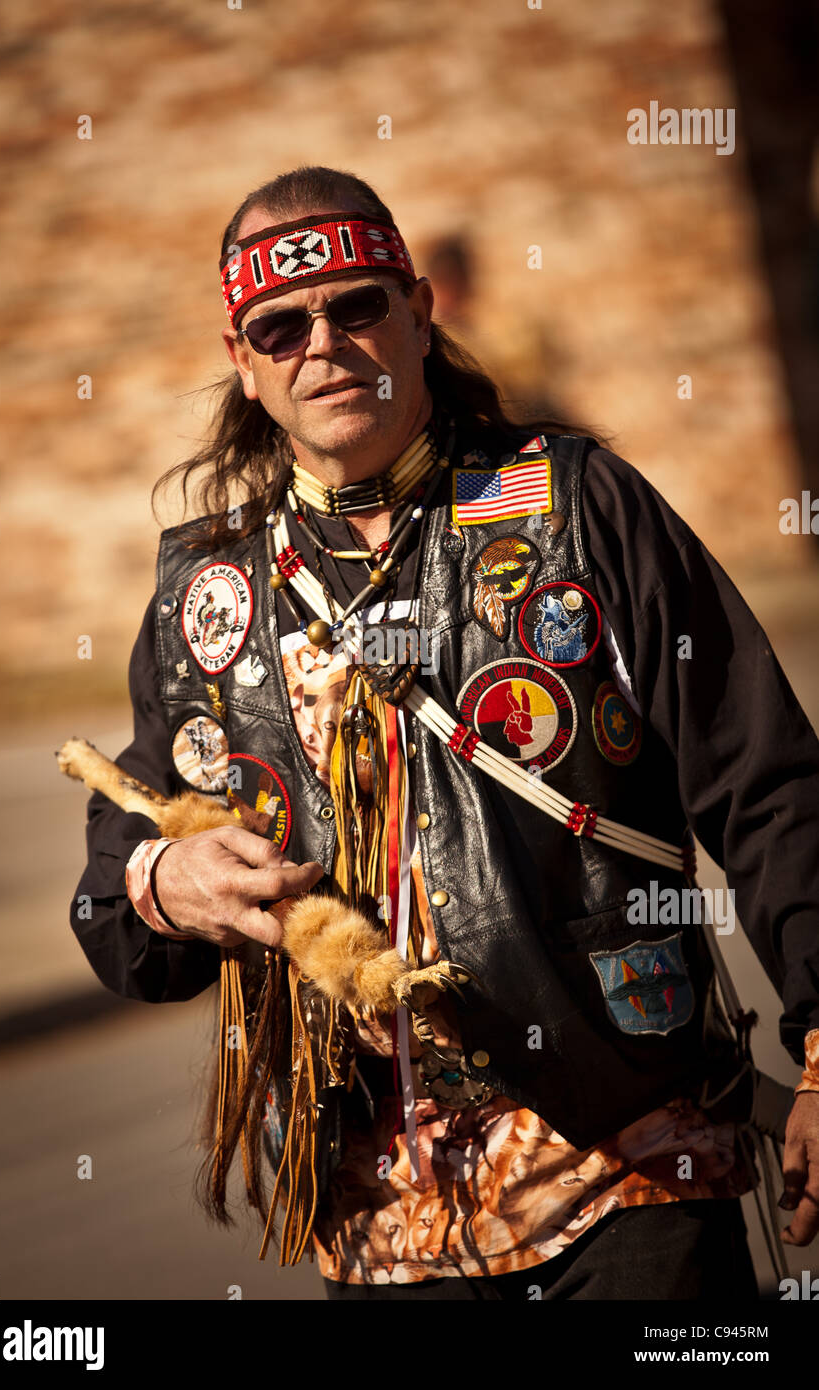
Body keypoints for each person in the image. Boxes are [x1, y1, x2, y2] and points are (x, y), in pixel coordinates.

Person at [70, 164, 819, 1301]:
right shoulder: (204, 594)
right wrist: (163, 878)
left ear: (419, 312)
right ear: (244, 362)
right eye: (279, 326)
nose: (321, 344)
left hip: (626, 1166)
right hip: (375, 1228)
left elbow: (762, 781)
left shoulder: (576, 504)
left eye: (355, 305)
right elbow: (118, 881)